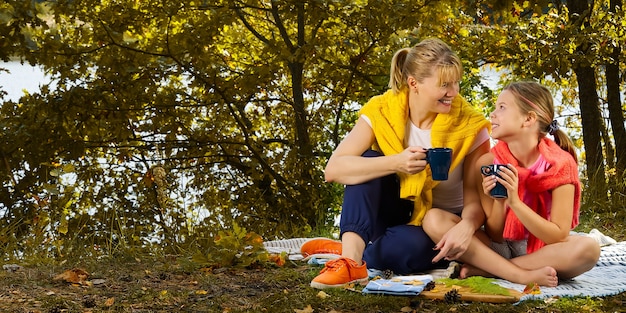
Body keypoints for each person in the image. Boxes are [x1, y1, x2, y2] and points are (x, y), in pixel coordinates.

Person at [300, 38, 491, 289]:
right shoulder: (382, 110)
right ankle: (350, 262)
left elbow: (475, 197)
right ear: (414, 84)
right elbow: (334, 170)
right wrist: (396, 162)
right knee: (367, 162)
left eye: (456, 82)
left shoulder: (470, 126)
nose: (453, 92)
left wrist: (466, 226)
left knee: (406, 250)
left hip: (438, 222)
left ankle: (349, 251)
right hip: (395, 211)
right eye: (444, 84)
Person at [423, 81, 601, 287]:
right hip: (497, 247)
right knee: (433, 219)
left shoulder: (560, 165)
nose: (493, 114)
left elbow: (558, 235)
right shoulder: (488, 163)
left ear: (528, 119)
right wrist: (499, 201)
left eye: (502, 107)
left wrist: (515, 202)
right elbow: (496, 235)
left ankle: (490, 270)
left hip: (542, 250)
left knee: (589, 249)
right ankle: (517, 274)